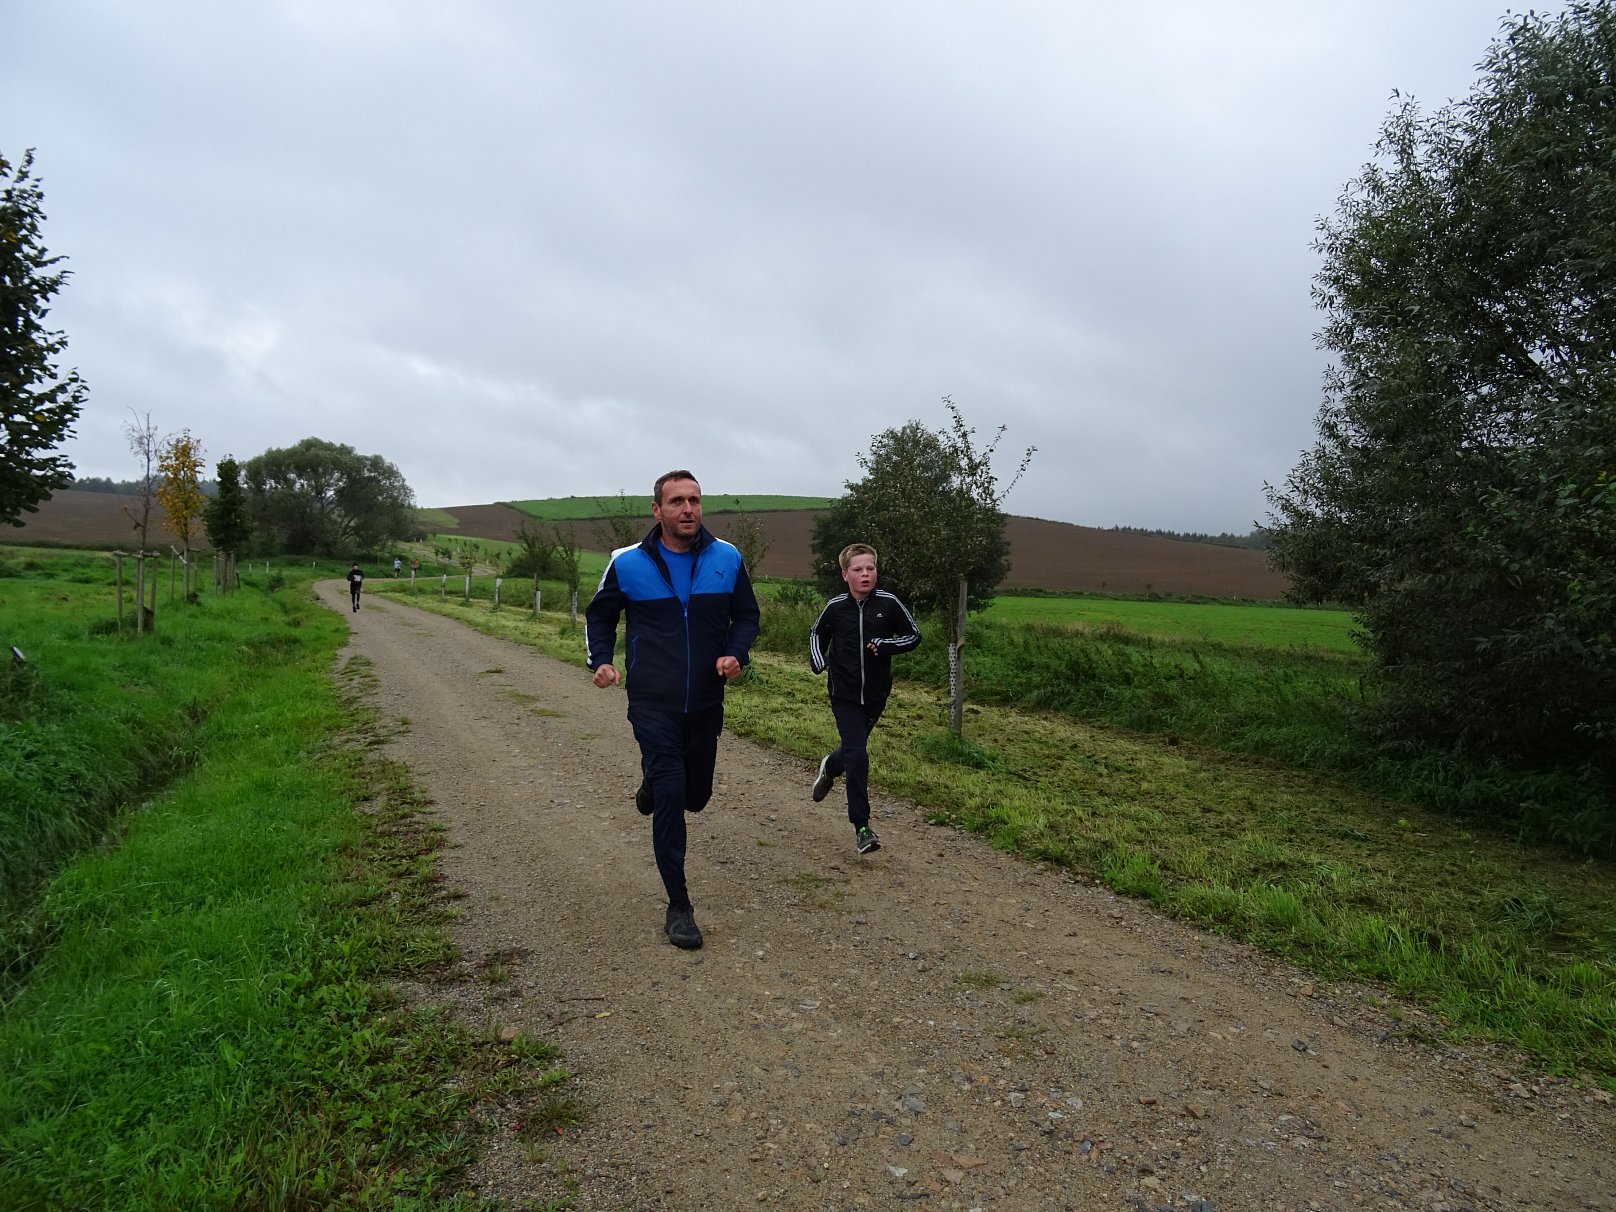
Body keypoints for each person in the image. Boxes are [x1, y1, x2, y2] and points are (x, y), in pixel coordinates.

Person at [585, 470, 760, 950]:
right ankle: (678, 905)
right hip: (652, 701)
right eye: (677, 501)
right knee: (671, 792)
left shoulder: (726, 557)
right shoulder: (627, 562)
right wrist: (601, 660)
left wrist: (736, 653)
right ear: (657, 510)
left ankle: (653, 783)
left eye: (695, 500)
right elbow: (600, 615)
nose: (688, 509)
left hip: (705, 700)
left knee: (695, 796)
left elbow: (747, 615)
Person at [808, 543, 921, 854]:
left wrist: (886, 645)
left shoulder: (889, 603)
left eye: (870, 568)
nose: (865, 574)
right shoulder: (836, 607)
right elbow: (817, 633)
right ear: (845, 575)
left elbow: (914, 635)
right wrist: (818, 661)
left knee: (851, 751)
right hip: (843, 694)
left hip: (875, 694)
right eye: (858, 569)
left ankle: (830, 767)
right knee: (858, 755)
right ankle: (862, 827)